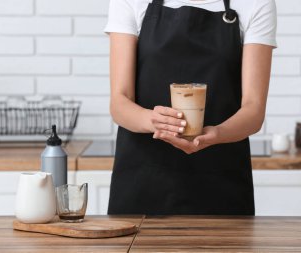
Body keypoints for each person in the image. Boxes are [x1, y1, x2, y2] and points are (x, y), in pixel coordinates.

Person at [104, 0, 277, 215]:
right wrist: (154, 121)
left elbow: (254, 109)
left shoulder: (256, 3)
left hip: (221, 182)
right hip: (142, 179)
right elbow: (119, 102)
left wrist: (218, 133)